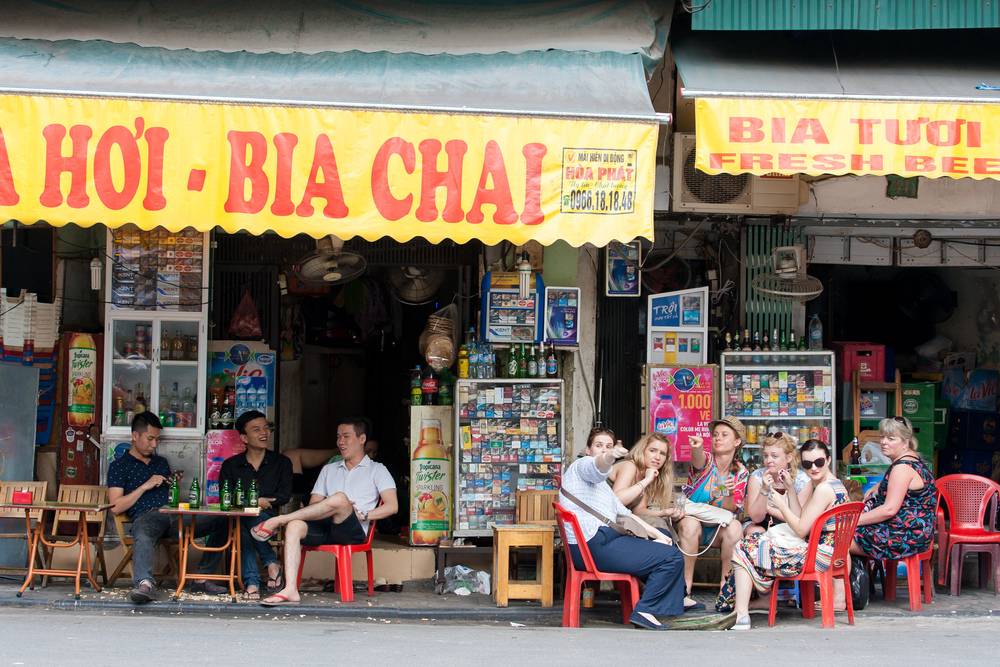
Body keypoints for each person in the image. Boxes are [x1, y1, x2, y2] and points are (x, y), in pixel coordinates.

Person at [253, 417, 398, 606]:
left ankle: (280, 519)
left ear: (362, 439)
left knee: (339, 498)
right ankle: (290, 589)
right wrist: (333, 506)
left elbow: (392, 506)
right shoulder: (329, 469)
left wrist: (365, 514)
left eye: (346, 436)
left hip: (352, 530)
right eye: (338, 437)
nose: (340, 442)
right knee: (296, 525)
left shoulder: (377, 470)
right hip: (325, 526)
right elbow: (314, 504)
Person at [560, 427, 689, 630]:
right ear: (588, 450)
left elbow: (625, 513)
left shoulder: (601, 486)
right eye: (598, 446)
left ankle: (671, 601)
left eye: (608, 446)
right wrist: (611, 455)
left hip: (599, 543)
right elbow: (597, 466)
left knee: (666, 544)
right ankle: (646, 610)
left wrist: (655, 534)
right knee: (671, 557)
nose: (603, 450)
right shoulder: (581, 466)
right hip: (593, 547)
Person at [728, 439, 849, 630]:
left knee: (743, 547)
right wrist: (791, 489)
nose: (814, 468)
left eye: (819, 462)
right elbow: (802, 517)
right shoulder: (835, 484)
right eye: (808, 464)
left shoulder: (823, 490)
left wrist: (781, 505)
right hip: (829, 552)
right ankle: (743, 610)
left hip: (816, 557)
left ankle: (741, 613)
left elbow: (801, 529)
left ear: (828, 459)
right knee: (751, 544)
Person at [107, 412, 220, 604]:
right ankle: (145, 584)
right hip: (147, 517)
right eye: (150, 439)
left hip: (173, 515)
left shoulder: (161, 463)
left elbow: (168, 493)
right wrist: (145, 485)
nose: (154, 445)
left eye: (157, 439)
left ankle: (202, 576)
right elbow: (116, 507)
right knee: (143, 531)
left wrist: (172, 483)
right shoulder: (119, 466)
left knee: (222, 520)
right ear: (135, 436)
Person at [194, 410, 292, 600]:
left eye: (266, 428)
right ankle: (270, 564)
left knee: (244, 521)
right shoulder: (231, 465)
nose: (264, 433)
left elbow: (284, 496)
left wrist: (258, 505)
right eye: (256, 429)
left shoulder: (281, 463)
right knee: (243, 521)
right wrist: (255, 502)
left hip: (269, 519)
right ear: (244, 438)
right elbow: (226, 496)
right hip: (242, 518)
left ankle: (252, 583)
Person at [677, 416, 750, 609]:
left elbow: (730, 509)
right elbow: (698, 459)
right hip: (695, 525)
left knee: (735, 527)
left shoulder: (741, 473)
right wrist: (696, 447)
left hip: (719, 529)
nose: (718, 438)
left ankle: (725, 592)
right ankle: (684, 589)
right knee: (690, 524)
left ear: (737, 442)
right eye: (715, 434)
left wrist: (728, 492)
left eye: (724, 435)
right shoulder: (707, 461)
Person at [851, 416, 937, 561]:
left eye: (891, 438)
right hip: (917, 533)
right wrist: (879, 486)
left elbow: (889, 509)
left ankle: (844, 584)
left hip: (904, 537)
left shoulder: (902, 468)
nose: (883, 442)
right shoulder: (913, 461)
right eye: (882, 437)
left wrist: (853, 520)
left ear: (906, 442)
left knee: (836, 541)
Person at [743, 431, 812, 536]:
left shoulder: (803, 480)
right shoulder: (756, 477)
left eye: (774, 456)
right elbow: (756, 518)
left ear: (788, 458)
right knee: (754, 532)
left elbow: (799, 520)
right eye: (766, 456)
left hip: (791, 526)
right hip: (761, 523)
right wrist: (764, 489)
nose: (768, 460)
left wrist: (768, 508)